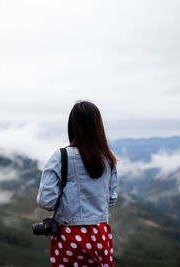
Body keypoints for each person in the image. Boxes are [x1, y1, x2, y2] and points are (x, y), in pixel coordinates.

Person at [36, 100, 118, 267]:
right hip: (101, 234)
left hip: (70, 234)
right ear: (98, 126)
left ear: (72, 126)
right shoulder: (108, 158)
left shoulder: (61, 157)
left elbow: (46, 201)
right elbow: (111, 200)